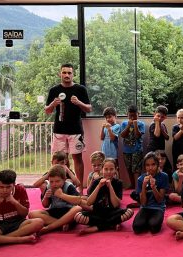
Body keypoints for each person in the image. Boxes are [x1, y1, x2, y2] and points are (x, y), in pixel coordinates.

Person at [45, 63, 92, 192]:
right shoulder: (54, 90)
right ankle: (62, 188)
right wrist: (53, 104)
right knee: (60, 160)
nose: (67, 75)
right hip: (59, 131)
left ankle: (80, 188)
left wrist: (78, 102)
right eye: (64, 72)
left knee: (77, 159)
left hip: (75, 130)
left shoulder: (80, 89)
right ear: (60, 74)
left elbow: (89, 109)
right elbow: (47, 110)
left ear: (73, 74)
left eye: (69, 73)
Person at [0, 169, 44, 245]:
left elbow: (24, 214)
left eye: (8, 187)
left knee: (39, 222)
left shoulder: (20, 190)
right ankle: (18, 239)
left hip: (18, 223)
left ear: (14, 185)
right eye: (1, 187)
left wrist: (15, 202)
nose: (5, 190)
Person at [74, 159, 134, 234]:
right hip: (97, 213)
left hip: (113, 213)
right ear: (102, 169)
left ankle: (97, 227)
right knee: (78, 216)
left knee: (129, 212)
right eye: (106, 169)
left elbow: (116, 205)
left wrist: (110, 187)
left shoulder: (118, 183)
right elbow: (89, 203)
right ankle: (111, 224)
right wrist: (99, 186)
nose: (108, 172)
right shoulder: (96, 182)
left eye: (111, 169)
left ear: (116, 170)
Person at [29, 165, 83, 235]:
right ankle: (61, 224)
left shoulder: (69, 186)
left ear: (64, 179)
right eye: (51, 181)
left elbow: (78, 200)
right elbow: (45, 205)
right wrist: (46, 197)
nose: (54, 184)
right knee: (32, 214)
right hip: (54, 212)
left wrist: (61, 195)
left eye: (57, 181)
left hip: (68, 212)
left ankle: (49, 227)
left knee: (78, 209)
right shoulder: (49, 187)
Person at [132, 152, 169, 234]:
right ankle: (147, 220)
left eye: (153, 164)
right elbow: (143, 203)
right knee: (137, 228)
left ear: (157, 165)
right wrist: (143, 186)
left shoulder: (164, 176)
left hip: (158, 207)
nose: (150, 168)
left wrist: (153, 187)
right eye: (147, 165)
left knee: (154, 228)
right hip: (145, 208)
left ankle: (152, 220)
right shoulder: (141, 179)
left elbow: (160, 200)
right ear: (144, 166)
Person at [120, 104, 145, 189]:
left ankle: (137, 187)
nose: (132, 118)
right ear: (127, 115)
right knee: (129, 168)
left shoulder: (141, 124)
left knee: (136, 169)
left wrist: (135, 125)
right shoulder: (124, 123)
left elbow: (138, 136)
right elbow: (122, 135)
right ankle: (132, 184)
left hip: (137, 150)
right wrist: (128, 125)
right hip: (126, 150)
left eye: (134, 115)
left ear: (138, 114)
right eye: (130, 116)